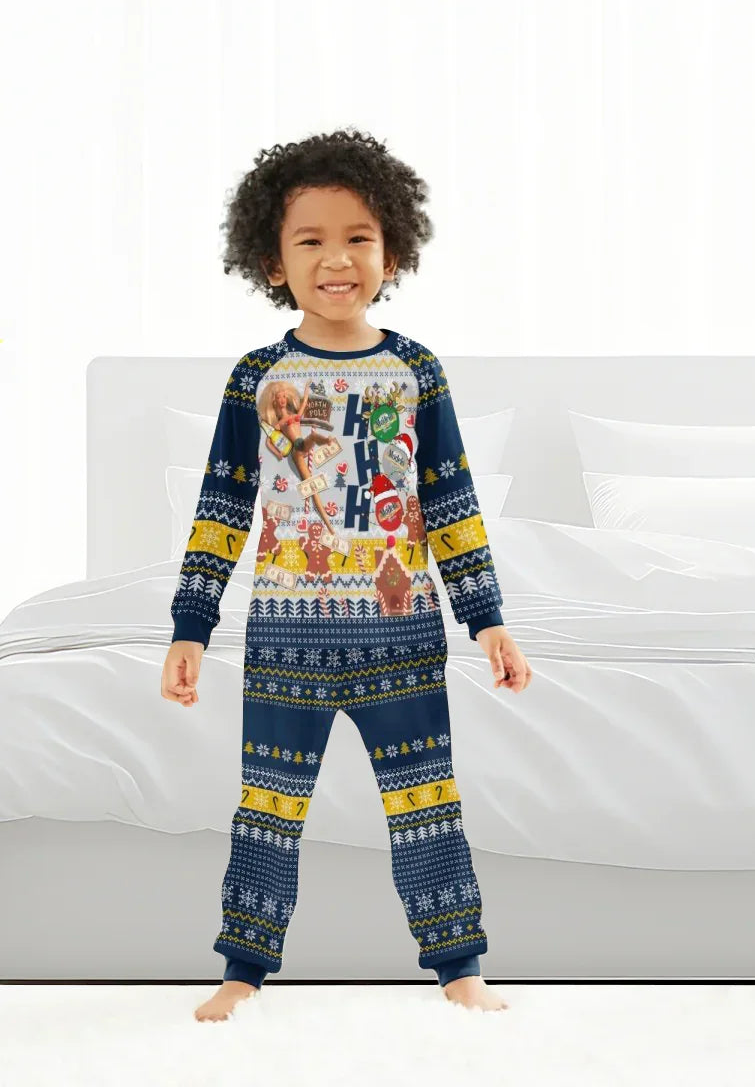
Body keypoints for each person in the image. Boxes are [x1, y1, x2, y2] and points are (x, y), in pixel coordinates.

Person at [162, 128, 532, 1023]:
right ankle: (243, 969)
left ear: (393, 250)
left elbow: (450, 501)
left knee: (427, 806)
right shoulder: (259, 377)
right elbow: (223, 506)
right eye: (311, 241)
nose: (338, 259)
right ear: (272, 261)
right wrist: (190, 624)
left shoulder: (416, 372)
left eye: (359, 237)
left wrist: (487, 619)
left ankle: (461, 968)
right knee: (268, 809)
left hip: (402, 638)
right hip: (286, 639)